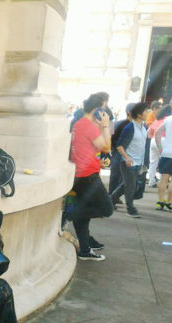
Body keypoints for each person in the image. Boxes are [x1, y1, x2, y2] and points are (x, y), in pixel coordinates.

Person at [68, 93, 114, 261]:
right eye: (103, 110)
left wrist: (97, 162)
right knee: (107, 209)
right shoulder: (89, 126)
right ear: (97, 110)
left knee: (84, 217)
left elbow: (83, 149)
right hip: (88, 177)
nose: (105, 113)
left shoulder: (78, 124)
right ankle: (71, 214)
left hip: (79, 175)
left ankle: (85, 250)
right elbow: (106, 147)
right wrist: (105, 126)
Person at [113, 102, 148, 218]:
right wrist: (127, 158)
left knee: (126, 185)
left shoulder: (144, 127)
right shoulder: (130, 127)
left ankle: (109, 200)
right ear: (139, 114)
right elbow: (119, 145)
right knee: (130, 185)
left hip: (138, 162)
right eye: (146, 111)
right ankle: (130, 208)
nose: (148, 113)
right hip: (128, 162)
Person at [108, 103, 135, 203]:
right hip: (119, 152)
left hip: (125, 152)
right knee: (116, 174)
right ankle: (111, 196)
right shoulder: (122, 124)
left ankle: (114, 196)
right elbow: (113, 138)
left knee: (120, 176)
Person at [147, 104, 172, 187]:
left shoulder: (157, 119)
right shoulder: (168, 120)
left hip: (153, 140)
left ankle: (151, 181)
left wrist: (151, 137)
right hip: (163, 140)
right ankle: (163, 182)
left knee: (153, 162)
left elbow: (149, 131)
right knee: (164, 162)